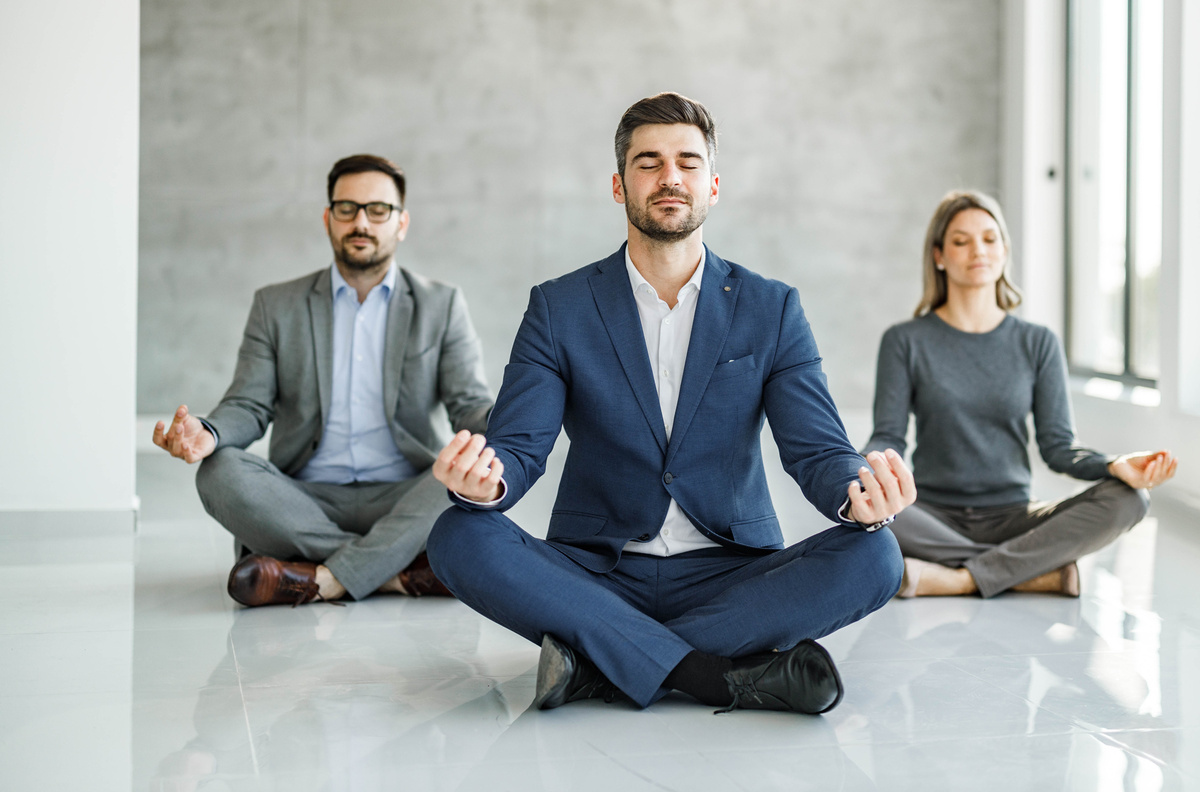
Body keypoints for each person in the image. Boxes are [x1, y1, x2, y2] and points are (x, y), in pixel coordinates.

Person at [426, 92, 912, 715]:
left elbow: (817, 449)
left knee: (876, 553)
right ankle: (713, 675)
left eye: (686, 161)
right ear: (619, 184)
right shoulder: (560, 306)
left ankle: (600, 666)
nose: (669, 177)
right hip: (596, 575)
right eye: (648, 162)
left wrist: (858, 496)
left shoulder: (772, 307)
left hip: (731, 578)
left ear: (712, 184)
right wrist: (482, 483)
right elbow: (518, 449)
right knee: (458, 534)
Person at [152, 154, 494, 607]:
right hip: (305, 497)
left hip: (404, 493)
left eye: (378, 210)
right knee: (219, 473)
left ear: (401, 223)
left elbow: (468, 404)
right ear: (328, 219)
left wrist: (517, 417)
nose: (361, 223)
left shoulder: (442, 304)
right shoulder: (276, 305)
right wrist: (208, 431)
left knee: (461, 479)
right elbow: (249, 406)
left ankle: (310, 576)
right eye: (347, 209)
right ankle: (395, 570)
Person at [864, 190, 1177, 598]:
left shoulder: (1037, 342)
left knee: (1131, 500)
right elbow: (888, 435)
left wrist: (1115, 464)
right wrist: (863, 469)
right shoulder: (904, 340)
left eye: (990, 239)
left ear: (1005, 251)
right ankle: (1027, 570)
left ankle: (960, 578)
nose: (979, 250)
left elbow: (1059, 448)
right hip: (929, 515)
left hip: (1014, 515)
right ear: (939, 256)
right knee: (866, 512)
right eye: (961, 241)